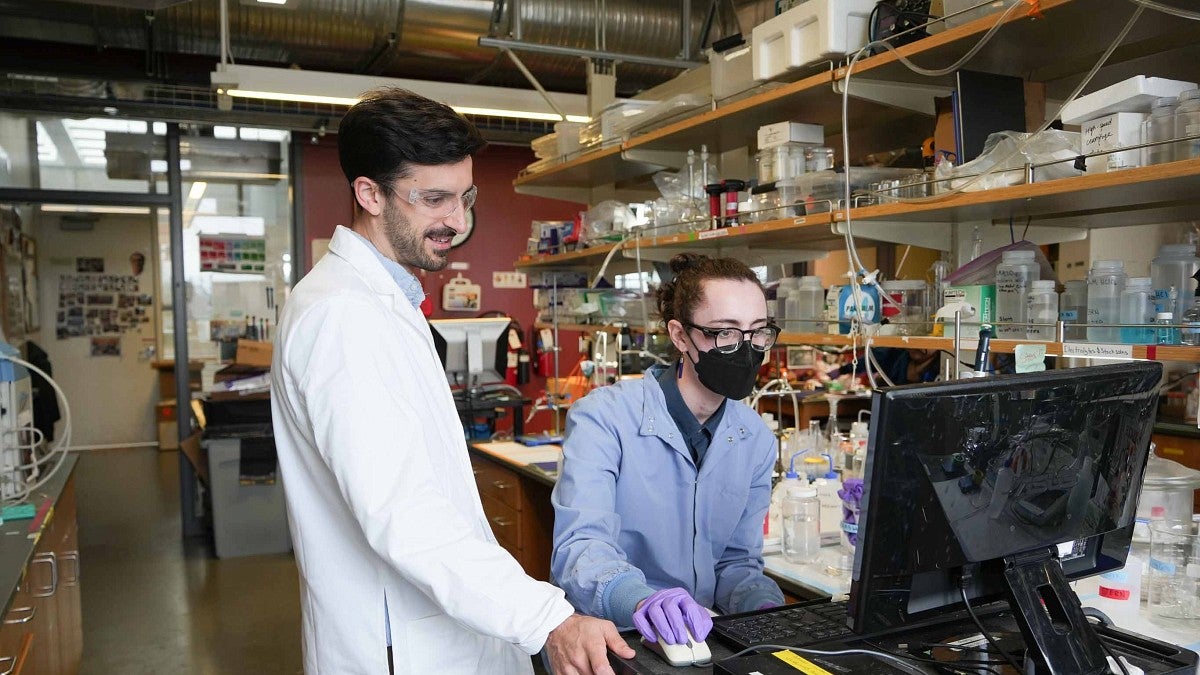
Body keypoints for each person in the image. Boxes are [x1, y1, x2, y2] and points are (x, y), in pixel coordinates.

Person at [271, 88, 633, 675]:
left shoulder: (382, 302)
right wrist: (548, 620)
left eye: (465, 198)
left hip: (429, 636)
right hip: (400, 648)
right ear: (369, 193)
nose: (457, 222)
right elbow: (404, 514)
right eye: (433, 199)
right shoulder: (343, 316)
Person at [551, 253, 785, 648]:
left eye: (758, 332)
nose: (746, 349)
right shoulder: (604, 417)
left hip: (699, 637)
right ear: (680, 336)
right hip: (615, 637)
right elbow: (581, 548)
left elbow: (735, 561)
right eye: (724, 332)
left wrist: (764, 607)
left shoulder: (755, 438)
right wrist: (642, 600)